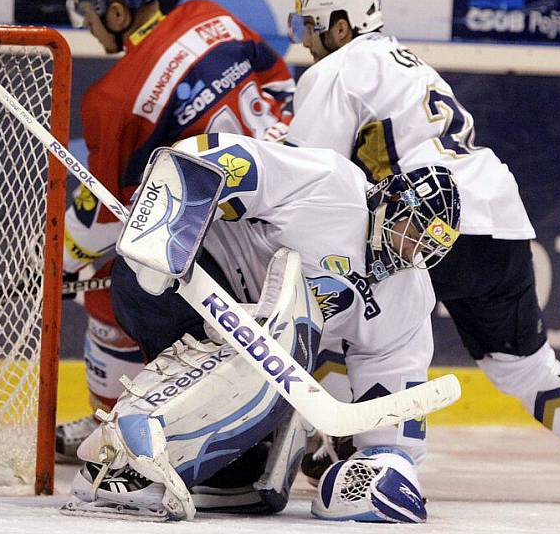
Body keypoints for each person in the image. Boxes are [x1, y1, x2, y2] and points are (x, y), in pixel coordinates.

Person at [285, 0, 560, 505]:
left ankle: (349, 439)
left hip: (414, 221)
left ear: (341, 27)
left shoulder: (334, 70)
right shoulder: (409, 62)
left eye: (313, 25)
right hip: (494, 211)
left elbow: (312, 177)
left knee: (329, 316)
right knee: (522, 362)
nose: (305, 38)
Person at [63, 132, 461, 522]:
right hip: (183, 281)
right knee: (297, 324)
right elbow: (218, 156)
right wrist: (169, 220)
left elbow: (395, 385)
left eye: (425, 246)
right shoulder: (331, 183)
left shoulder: (408, 296)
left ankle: (153, 460)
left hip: (258, 337)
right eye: (408, 230)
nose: (411, 250)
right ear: (389, 202)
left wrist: (386, 461)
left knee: (248, 479)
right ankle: (129, 458)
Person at [57, 0, 295, 460]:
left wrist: (67, 262)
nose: (89, 25)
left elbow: (107, 218)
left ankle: (116, 425)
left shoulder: (115, 97)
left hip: (227, 247)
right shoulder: (212, 16)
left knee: (111, 290)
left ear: (117, 11)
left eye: (92, 13)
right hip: (293, 209)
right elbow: (282, 86)